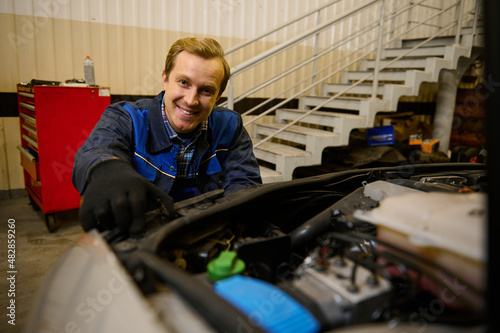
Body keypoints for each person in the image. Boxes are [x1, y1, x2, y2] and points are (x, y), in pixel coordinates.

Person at [72, 37, 262, 235]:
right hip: (143, 234)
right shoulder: (126, 117)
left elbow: (245, 183)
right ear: (165, 79)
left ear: (218, 97)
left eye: (206, 90)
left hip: (206, 232)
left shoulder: (230, 126)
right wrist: (107, 169)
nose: (191, 100)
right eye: (183, 82)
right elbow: (96, 150)